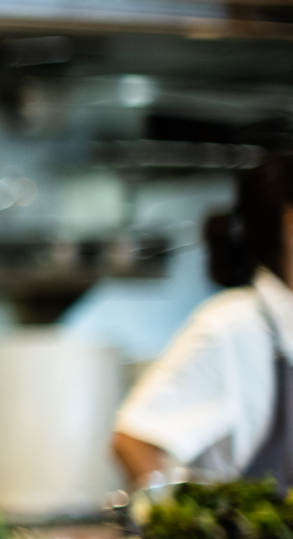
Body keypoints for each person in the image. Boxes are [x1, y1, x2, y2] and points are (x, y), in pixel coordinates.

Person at [112, 156, 293, 487]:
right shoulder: (234, 326)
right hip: (248, 523)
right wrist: (177, 514)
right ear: (289, 222)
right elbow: (134, 441)